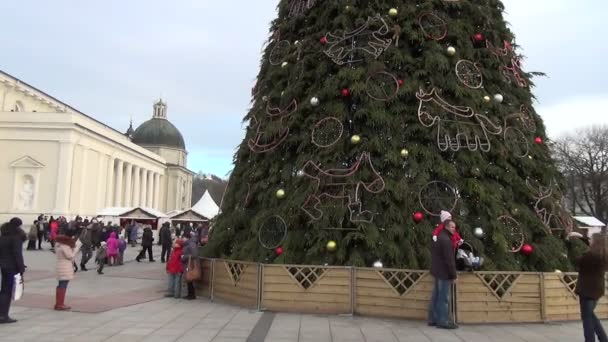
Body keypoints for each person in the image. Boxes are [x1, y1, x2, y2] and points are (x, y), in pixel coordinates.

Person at [576, 232, 608, 342]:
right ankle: (603, 338)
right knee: (590, 315)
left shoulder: (590, 256)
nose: (590, 241)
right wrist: (582, 239)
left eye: (591, 239)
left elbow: (577, 261)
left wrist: (571, 242)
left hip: (586, 290)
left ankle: (590, 340)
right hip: (597, 290)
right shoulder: (604, 255)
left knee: (587, 318)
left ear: (595, 242)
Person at [428, 219, 458, 330]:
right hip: (444, 272)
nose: (454, 229)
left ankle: (433, 319)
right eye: (452, 227)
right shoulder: (446, 240)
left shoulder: (439, 237)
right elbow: (449, 260)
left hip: (437, 271)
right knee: (443, 298)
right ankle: (443, 321)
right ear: (446, 227)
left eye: (454, 227)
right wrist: (453, 275)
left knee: (436, 296)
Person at [0, 219, 26, 323]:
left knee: (3, 290)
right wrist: (21, 268)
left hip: (4, 267)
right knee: (8, 291)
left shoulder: (3, 237)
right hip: (12, 267)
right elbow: (17, 254)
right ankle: (3, 315)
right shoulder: (16, 238)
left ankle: (2, 314)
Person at [54, 234, 81, 311]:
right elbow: (70, 256)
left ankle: (58, 303)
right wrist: (77, 248)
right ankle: (60, 304)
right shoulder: (64, 246)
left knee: (60, 285)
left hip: (60, 265)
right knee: (63, 285)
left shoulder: (58, 245)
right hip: (65, 266)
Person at [181, 232, 199, 300]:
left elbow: (195, 254)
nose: (182, 239)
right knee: (188, 279)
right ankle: (189, 294)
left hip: (190, 264)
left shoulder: (191, 244)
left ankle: (192, 295)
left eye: (183, 237)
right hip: (187, 263)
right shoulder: (187, 244)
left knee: (190, 278)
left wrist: (184, 256)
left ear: (187, 237)